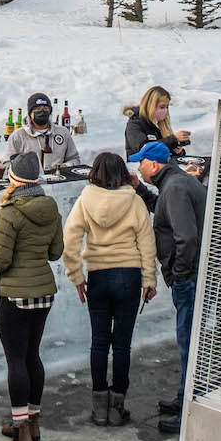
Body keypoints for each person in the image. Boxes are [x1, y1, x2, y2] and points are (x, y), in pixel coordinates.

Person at [63, 151, 157, 425]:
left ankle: (99, 408)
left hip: (98, 278)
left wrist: (76, 276)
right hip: (128, 277)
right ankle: (117, 409)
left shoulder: (85, 200)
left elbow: (70, 240)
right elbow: (147, 243)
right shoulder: (135, 201)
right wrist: (149, 279)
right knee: (122, 346)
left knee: (99, 342)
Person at [0, 152, 64, 441]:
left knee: (15, 360)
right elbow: (56, 253)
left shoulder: (9, 212)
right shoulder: (50, 207)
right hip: (44, 293)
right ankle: (32, 422)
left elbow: (0, 260)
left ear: (13, 178)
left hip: (15, 295)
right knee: (32, 356)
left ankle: (20, 436)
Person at [130, 143, 207, 432]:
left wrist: (179, 276)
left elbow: (186, 237)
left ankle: (189, 410)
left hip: (190, 277)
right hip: (193, 274)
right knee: (190, 341)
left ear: (155, 164)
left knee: (189, 343)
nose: (138, 167)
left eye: (141, 162)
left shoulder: (174, 188)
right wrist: (139, 188)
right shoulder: (175, 183)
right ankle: (183, 397)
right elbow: (163, 213)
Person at [6, 93, 81, 175]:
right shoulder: (18, 136)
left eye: (45, 108)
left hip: (58, 182)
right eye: (37, 109)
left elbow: (75, 159)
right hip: (29, 184)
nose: (42, 112)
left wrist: (64, 166)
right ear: (30, 113)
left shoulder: (63, 132)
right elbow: (7, 165)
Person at [123, 87, 190, 161]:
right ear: (151, 105)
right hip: (140, 169)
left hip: (160, 168)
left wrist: (178, 151)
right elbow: (143, 151)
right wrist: (173, 139)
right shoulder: (135, 124)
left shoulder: (159, 125)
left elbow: (162, 150)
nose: (165, 110)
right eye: (162, 107)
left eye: (167, 107)